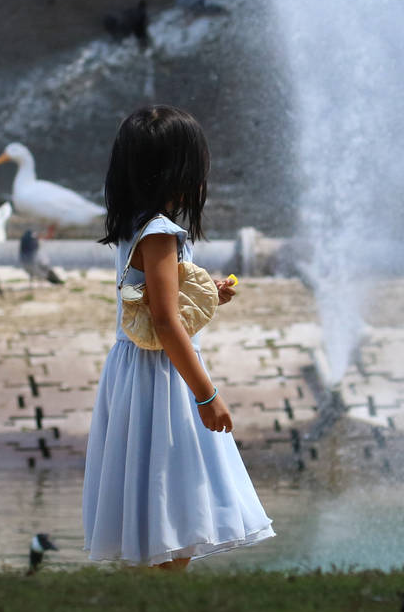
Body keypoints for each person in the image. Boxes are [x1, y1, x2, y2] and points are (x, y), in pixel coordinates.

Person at [83, 104, 275, 569]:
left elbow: (150, 303)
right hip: (162, 381)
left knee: (151, 517)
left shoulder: (135, 227)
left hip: (134, 373)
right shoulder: (162, 233)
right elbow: (167, 323)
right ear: (178, 171)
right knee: (174, 513)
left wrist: (204, 293)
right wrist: (207, 395)